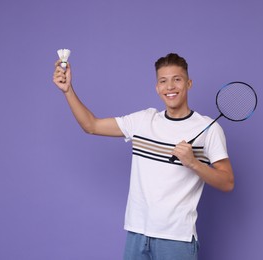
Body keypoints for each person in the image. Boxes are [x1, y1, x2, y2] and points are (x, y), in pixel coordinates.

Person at [53, 53, 234, 260]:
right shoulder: (143, 121)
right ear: (157, 88)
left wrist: (193, 163)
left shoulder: (209, 129)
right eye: (163, 81)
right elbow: (91, 125)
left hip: (176, 238)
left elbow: (227, 182)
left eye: (177, 79)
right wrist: (68, 91)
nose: (170, 87)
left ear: (189, 83)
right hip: (137, 233)